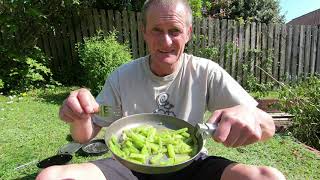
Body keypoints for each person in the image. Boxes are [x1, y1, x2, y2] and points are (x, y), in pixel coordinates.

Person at [36, 0, 286, 179]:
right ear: (144, 32)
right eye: (156, 30)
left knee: (268, 177)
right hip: (128, 165)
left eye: (175, 31)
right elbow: (83, 137)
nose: (166, 42)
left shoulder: (206, 71)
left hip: (191, 164)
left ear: (188, 33)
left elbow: (268, 127)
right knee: (50, 176)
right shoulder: (122, 76)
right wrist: (80, 117)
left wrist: (251, 116)